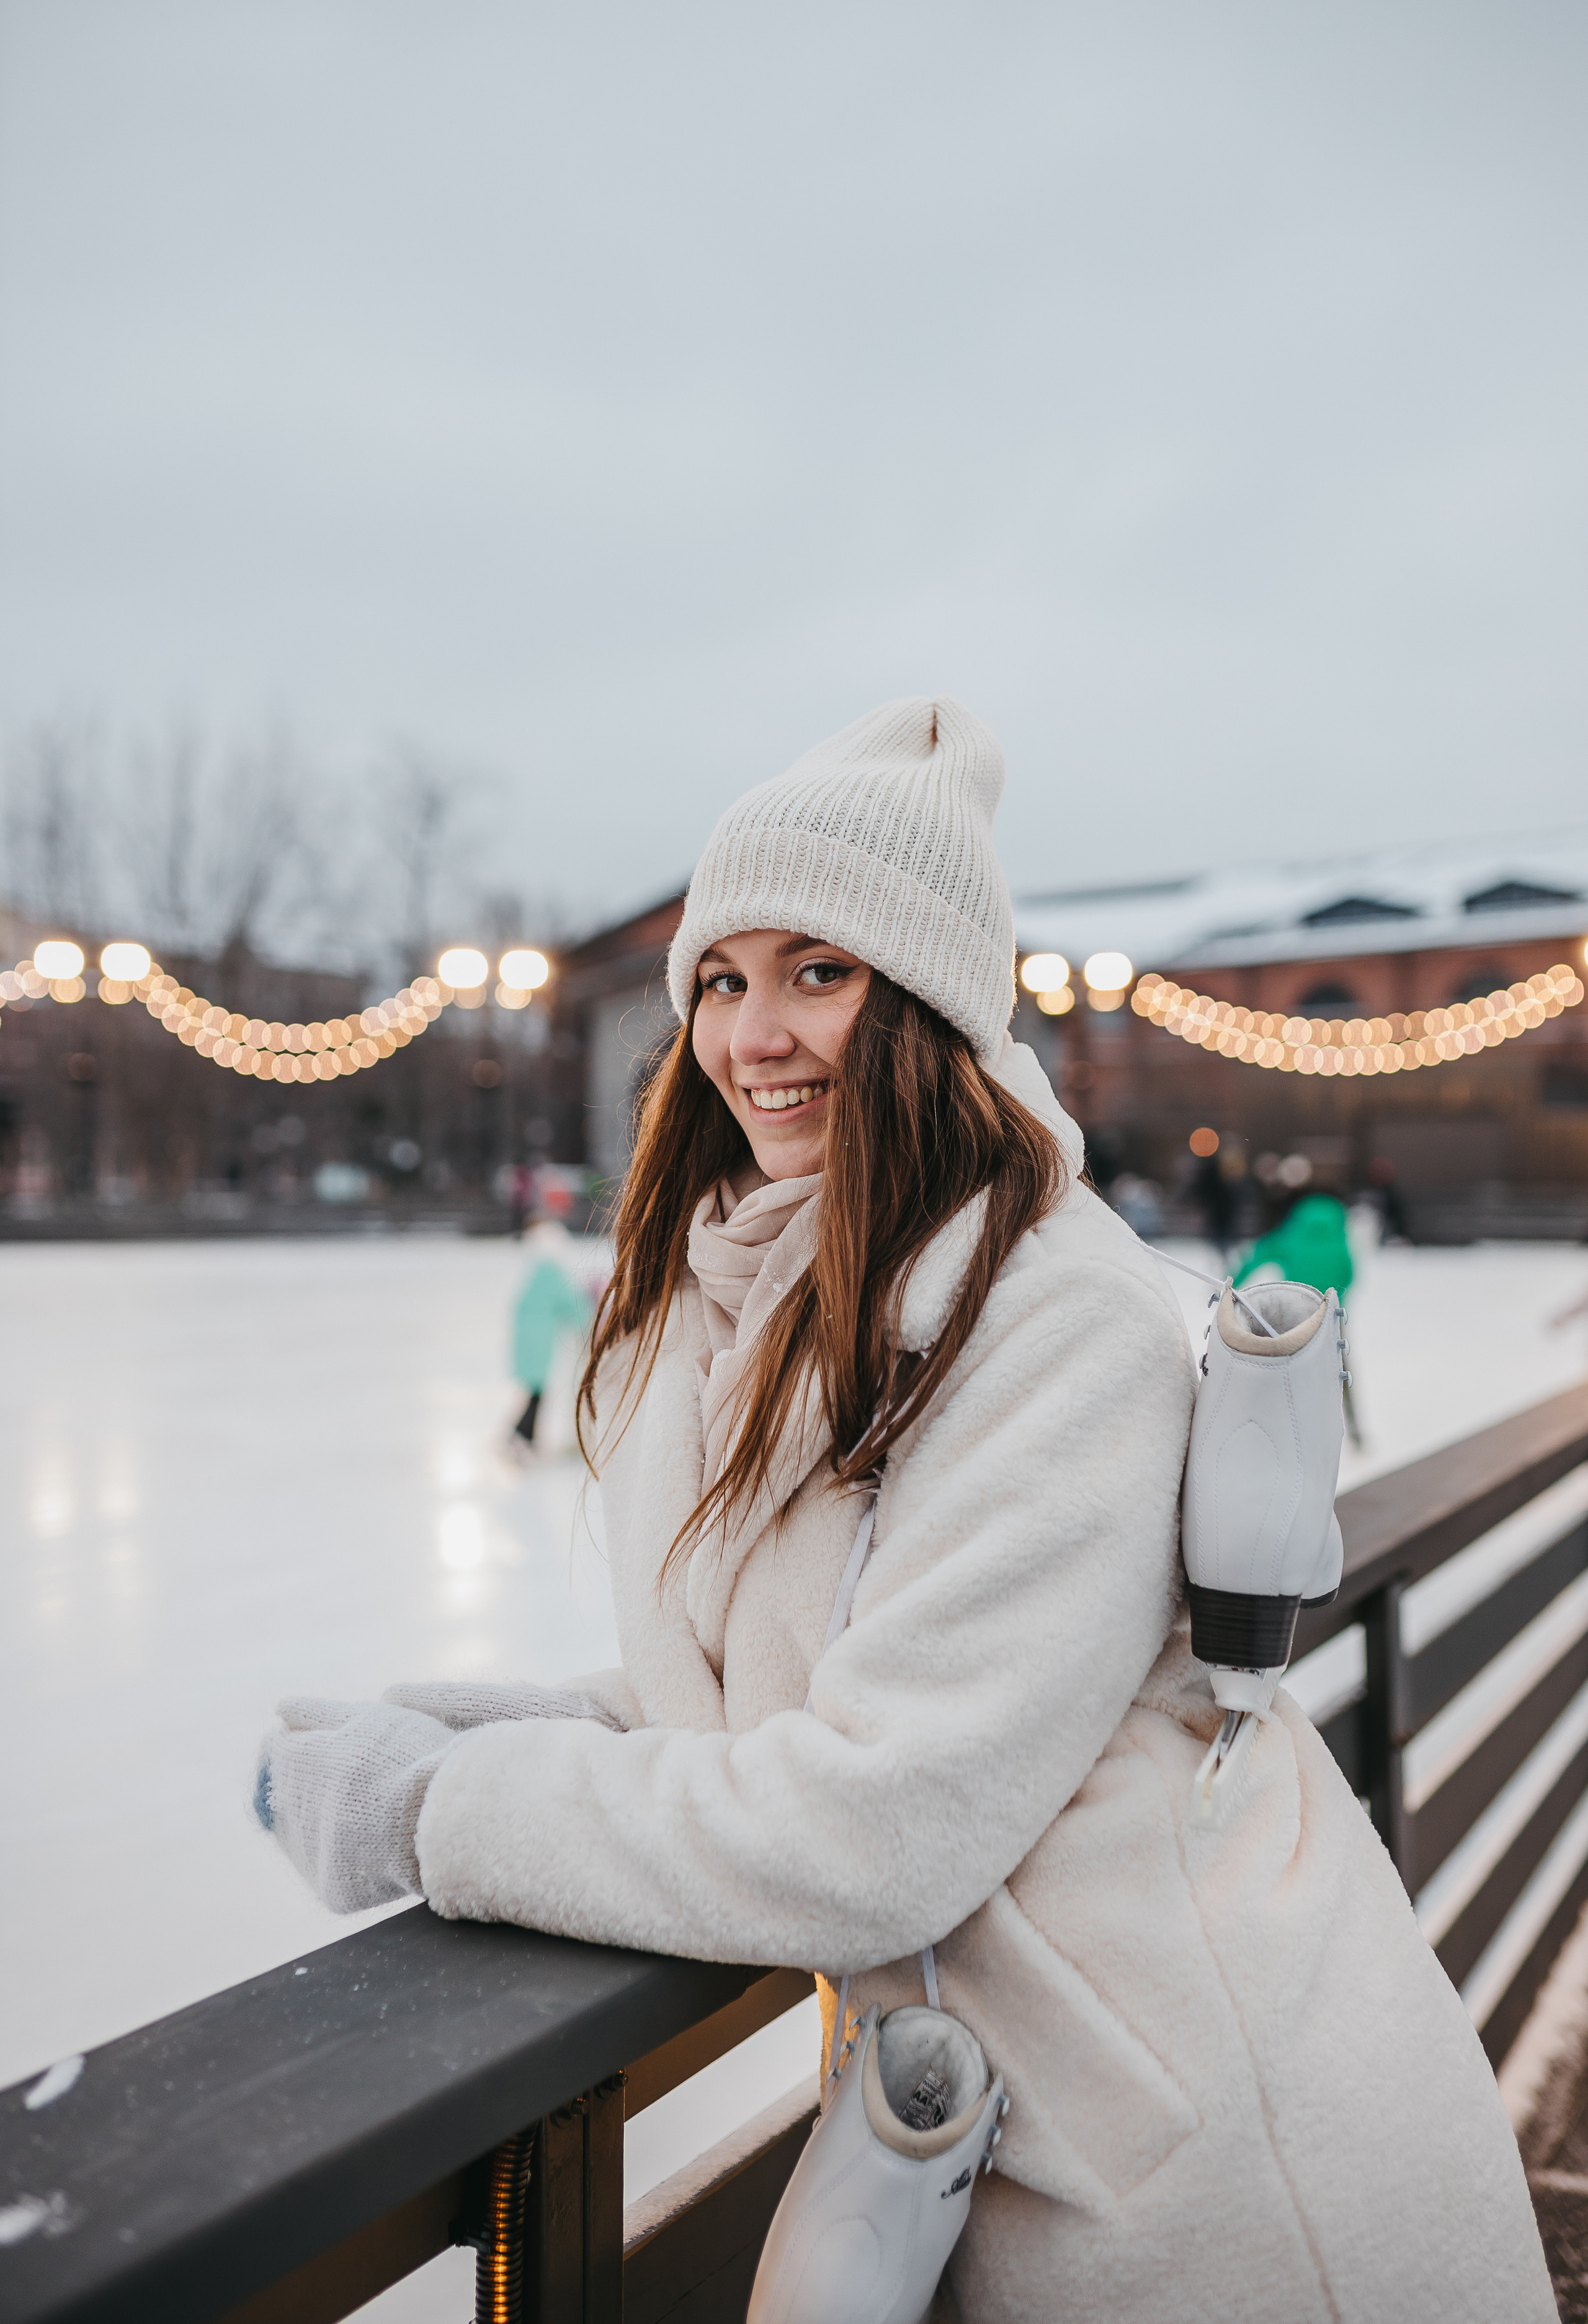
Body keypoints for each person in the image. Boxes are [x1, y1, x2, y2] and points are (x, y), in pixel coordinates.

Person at [255, 698, 1552, 2323]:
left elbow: (872, 1829)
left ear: (930, 997)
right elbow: (768, 1697)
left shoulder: (1054, 1316)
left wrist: (440, 1817)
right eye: (722, 979)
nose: (754, 1033)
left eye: (821, 970)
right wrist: (455, 1733)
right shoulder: (745, 1296)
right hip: (1036, 2136)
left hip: (1229, 2174)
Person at [1236, 1189, 1363, 1446]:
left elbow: (1258, 1256)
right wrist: (1339, 1302)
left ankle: (1285, 1432)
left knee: (1291, 1370)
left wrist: (1232, 1285)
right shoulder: (1339, 1239)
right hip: (1331, 1315)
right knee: (1340, 1371)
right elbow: (1349, 1274)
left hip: (1295, 1314)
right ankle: (1353, 1428)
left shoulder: (1291, 1235)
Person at [507, 1215, 592, 1450]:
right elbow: (569, 1302)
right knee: (537, 1390)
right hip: (540, 1339)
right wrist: (588, 1326)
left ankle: (524, 1436)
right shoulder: (549, 1269)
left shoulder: (535, 1267)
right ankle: (521, 1436)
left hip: (531, 1337)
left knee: (535, 1389)